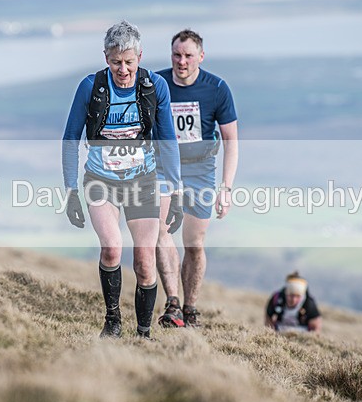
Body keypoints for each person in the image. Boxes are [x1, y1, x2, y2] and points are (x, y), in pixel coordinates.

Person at [62, 20, 183, 339]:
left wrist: (176, 191)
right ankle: (113, 320)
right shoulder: (91, 86)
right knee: (112, 249)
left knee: (144, 261)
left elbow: (167, 140)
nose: (123, 69)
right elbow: (71, 138)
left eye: (129, 62)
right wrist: (71, 191)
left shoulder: (155, 86)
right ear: (106, 58)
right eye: (116, 62)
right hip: (100, 180)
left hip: (143, 181)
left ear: (140, 56)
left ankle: (144, 333)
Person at [155, 29, 239, 328]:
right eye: (177, 55)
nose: (182, 61)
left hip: (201, 170)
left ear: (200, 57)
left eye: (189, 55)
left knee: (194, 242)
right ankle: (173, 303)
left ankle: (190, 308)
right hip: (163, 168)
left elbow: (232, 141)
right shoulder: (156, 83)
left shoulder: (216, 88)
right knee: (161, 232)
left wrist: (226, 188)